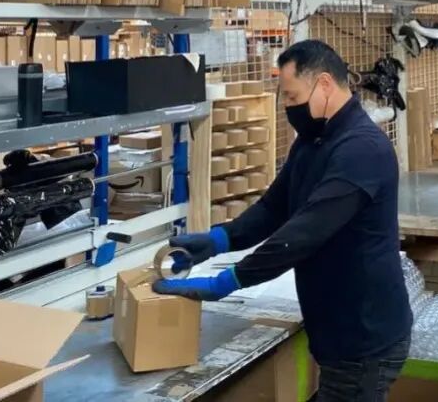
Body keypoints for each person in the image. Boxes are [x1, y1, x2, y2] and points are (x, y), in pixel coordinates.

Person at [153, 40, 412, 402]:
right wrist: (219, 239)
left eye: (292, 97)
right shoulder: (313, 141)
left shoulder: (361, 150)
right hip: (338, 329)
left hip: (364, 337)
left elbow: (303, 234)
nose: (288, 106)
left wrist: (229, 280)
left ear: (324, 84)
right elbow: (274, 208)